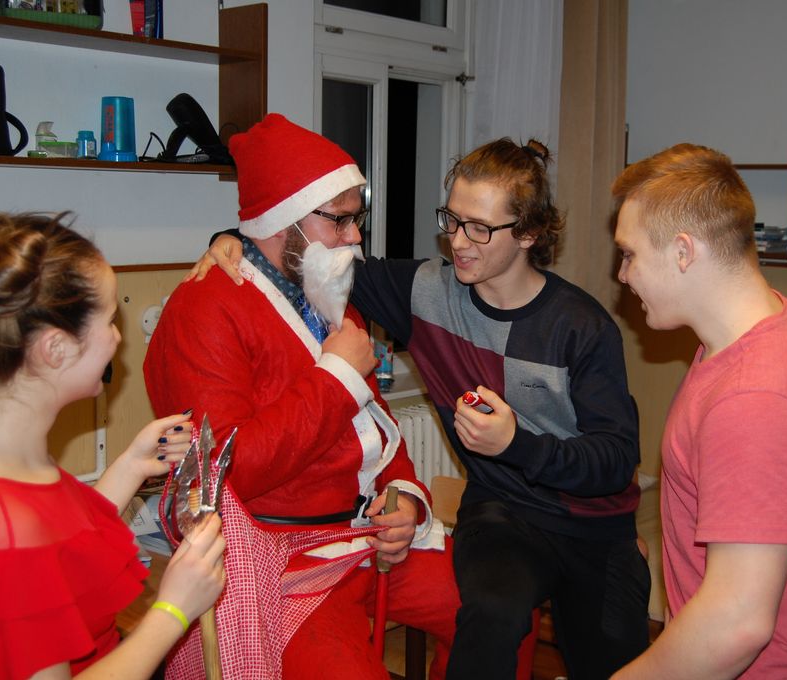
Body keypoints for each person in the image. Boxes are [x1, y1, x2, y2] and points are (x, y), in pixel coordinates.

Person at [195, 135, 651, 679]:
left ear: (529, 233)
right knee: (491, 615)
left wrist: (517, 445)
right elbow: (304, 253)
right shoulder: (426, 291)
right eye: (451, 220)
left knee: (615, 662)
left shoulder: (582, 327)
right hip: (503, 513)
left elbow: (615, 461)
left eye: (479, 228)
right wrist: (234, 238)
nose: (458, 242)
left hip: (592, 525)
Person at [143, 113, 460, 679]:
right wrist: (337, 376)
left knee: (492, 609)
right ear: (284, 220)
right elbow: (225, 470)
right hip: (279, 559)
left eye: (356, 218)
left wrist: (406, 500)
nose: (355, 237)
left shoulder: (324, 289)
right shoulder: (204, 309)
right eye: (340, 219)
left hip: (361, 537)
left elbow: (375, 426)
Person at [0, 186, 226, 679]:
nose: (117, 337)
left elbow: (53, 555)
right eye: (109, 320)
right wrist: (173, 611)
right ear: (55, 348)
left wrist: (132, 465)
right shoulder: (3, 528)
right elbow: (26, 553)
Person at [608, 143, 787, 679]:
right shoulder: (768, 326)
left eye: (630, 254)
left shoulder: (755, 396)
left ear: (683, 252)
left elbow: (737, 624)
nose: (622, 275)